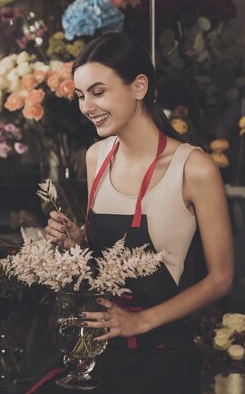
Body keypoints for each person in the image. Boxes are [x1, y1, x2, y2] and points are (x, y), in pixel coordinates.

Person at [45, 33, 233, 394]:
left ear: (139, 87)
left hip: (162, 354)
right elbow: (105, 255)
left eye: (98, 92)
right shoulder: (96, 157)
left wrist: (140, 321)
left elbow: (221, 278)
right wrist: (76, 242)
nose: (86, 107)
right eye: (81, 95)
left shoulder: (194, 168)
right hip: (98, 348)